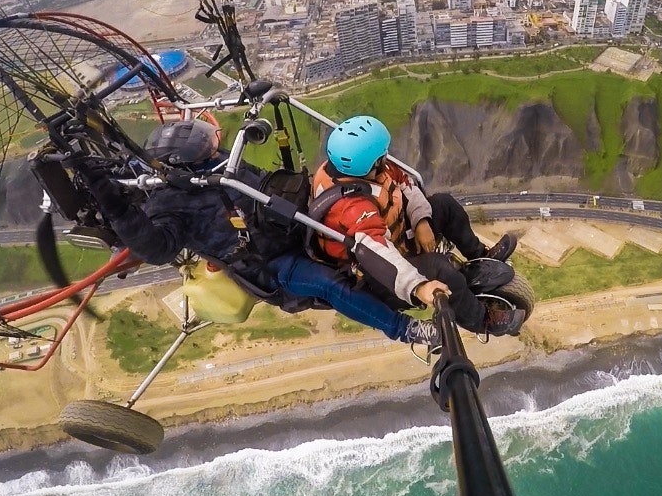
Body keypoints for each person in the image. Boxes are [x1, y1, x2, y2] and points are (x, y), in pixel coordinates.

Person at [79, 119, 444, 346]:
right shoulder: (170, 208)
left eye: (210, 144)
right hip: (271, 261)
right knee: (332, 285)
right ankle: (406, 331)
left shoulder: (216, 163)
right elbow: (155, 248)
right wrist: (109, 199)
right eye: (207, 147)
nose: (213, 149)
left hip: (291, 219)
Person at [310, 115, 526, 336]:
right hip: (379, 274)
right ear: (371, 162)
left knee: (444, 204)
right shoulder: (351, 207)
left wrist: (421, 221)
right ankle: (482, 320)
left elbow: (405, 184)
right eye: (382, 155)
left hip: (397, 238)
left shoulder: (364, 169)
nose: (386, 157)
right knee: (440, 267)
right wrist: (418, 287)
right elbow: (376, 252)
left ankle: (480, 255)